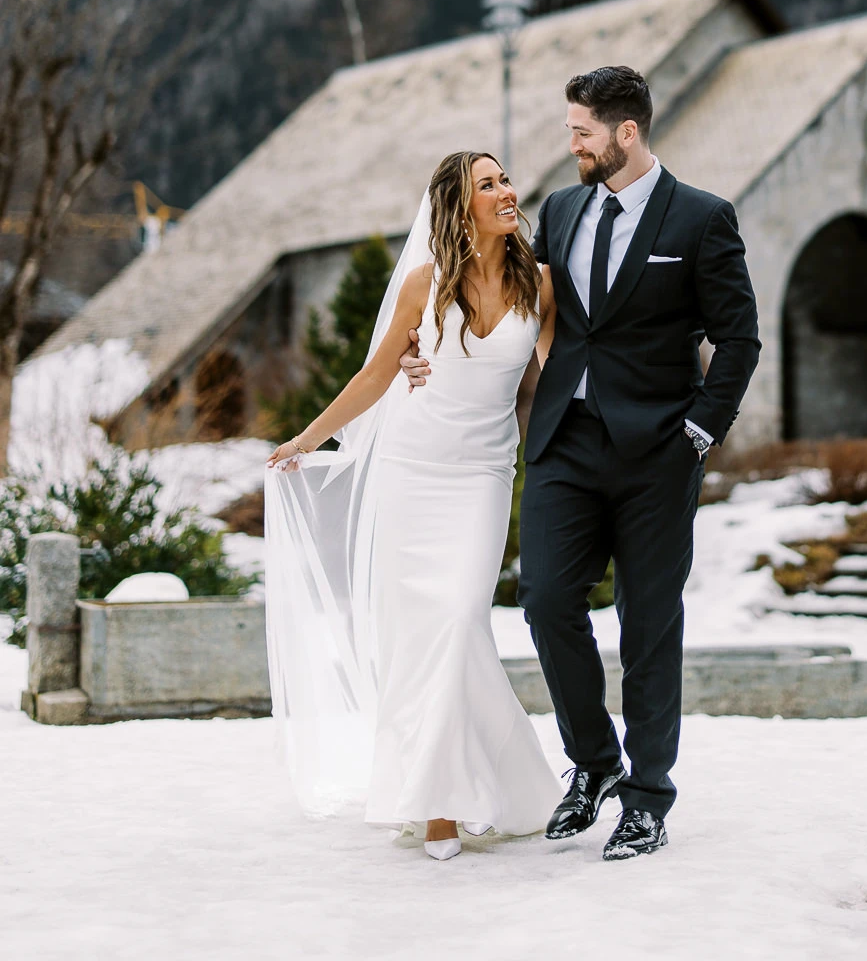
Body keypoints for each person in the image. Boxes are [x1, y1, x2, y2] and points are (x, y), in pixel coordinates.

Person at [404, 65, 760, 862]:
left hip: (659, 452)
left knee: (648, 623)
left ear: (625, 133)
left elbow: (738, 338)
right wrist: (419, 354)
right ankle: (595, 763)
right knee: (545, 601)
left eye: (581, 133)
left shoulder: (702, 219)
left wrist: (701, 432)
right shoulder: (560, 211)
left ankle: (647, 799)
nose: (570, 146)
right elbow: (492, 291)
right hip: (565, 440)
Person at [265, 151, 561, 862]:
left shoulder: (540, 284)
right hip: (413, 470)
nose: (506, 191)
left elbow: (552, 378)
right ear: (459, 208)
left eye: (504, 179)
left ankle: (486, 788)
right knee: (422, 637)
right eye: (487, 184)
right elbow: (374, 375)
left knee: (460, 622)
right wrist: (308, 437)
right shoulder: (426, 286)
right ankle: (437, 808)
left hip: (484, 475)